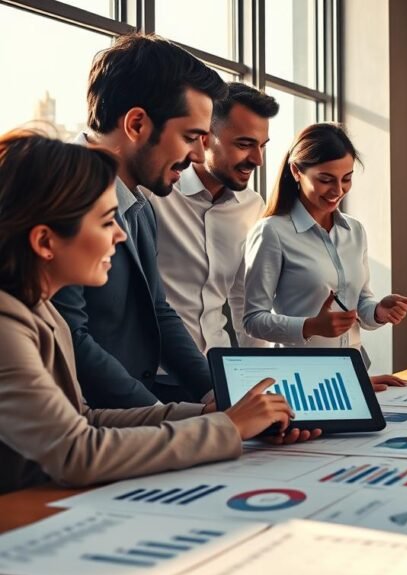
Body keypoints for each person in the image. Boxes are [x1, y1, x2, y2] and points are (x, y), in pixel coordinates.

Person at [0, 131, 318, 494]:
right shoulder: (7, 326)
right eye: (107, 222)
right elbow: (77, 452)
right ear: (44, 242)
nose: (120, 237)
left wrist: (216, 415)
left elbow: (84, 419)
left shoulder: (42, 313)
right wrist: (229, 428)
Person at [52, 33, 227, 407]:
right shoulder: (57, 190)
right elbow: (69, 335)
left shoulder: (140, 205)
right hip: (82, 432)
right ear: (136, 124)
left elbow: (158, 311)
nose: (199, 155)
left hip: (130, 425)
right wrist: (162, 416)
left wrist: (218, 396)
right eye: (190, 136)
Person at [243, 123, 407, 391]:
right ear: (296, 172)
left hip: (353, 372)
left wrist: (379, 311)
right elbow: (253, 320)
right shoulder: (272, 232)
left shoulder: (355, 231)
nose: (338, 190)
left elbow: (360, 303)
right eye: (325, 180)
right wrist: (310, 326)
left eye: (346, 178)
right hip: (300, 380)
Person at [151, 82, 278, 352]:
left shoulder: (252, 206)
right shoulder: (155, 193)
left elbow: (244, 298)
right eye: (245, 144)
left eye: (262, 146)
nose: (258, 160)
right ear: (204, 137)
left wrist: (258, 370)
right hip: (157, 370)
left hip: (217, 364)